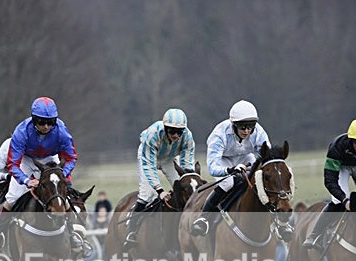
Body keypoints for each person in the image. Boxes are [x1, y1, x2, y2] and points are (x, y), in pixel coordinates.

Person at [0, 97, 78, 248]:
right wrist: (26, 181)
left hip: (49, 158)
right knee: (13, 196)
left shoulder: (62, 131)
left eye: (50, 122)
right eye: (41, 122)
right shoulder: (21, 132)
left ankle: (73, 234)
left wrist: (63, 173)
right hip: (26, 159)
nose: (46, 126)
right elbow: (13, 164)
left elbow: (71, 157)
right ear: (34, 120)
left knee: (62, 197)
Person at [190, 100, 292, 240]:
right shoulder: (219, 135)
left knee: (262, 178)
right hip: (224, 160)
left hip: (245, 157)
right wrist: (230, 170)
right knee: (227, 183)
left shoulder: (259, 133)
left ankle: (281, 222)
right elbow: (213, 168)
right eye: (242, 127)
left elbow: (268, 158)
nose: (246, 131)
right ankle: (204, 218)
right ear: (233, 125)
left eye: (250, 126)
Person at [302, 118, 356, 250]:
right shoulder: (337, 147)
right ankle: (315, 235)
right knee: (337, 202)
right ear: (350, 141)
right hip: (341, 167)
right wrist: (344, 200)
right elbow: (330, 180)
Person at [123, 108, 196, 250]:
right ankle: (131, 230)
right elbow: (149, 167)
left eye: (179, 132)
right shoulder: (153, 135)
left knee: (184, 189)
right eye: (172, 131)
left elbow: (187, 165)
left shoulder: (188, 137)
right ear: (165, 128)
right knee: (147, 194)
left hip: (168, 159)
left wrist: (187, 178)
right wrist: (160, 190)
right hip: (149, 158)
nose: (175, 135)